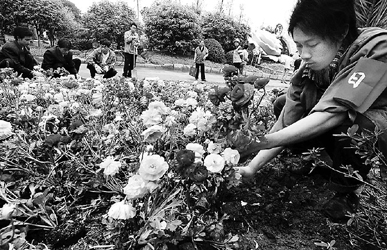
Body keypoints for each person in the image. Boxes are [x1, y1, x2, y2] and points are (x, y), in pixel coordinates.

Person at [234, 0, 387, 223]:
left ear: (342, 32)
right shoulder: (311, 68)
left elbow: (335, 112)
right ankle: (322, 160)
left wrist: (264, 141)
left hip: (373, 125)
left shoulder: (378, 48)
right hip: (337, 120)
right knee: (281, 103)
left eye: (312, 44)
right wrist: (252, 167)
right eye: (298, 46)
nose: (303, 54)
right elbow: (287, 118)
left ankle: (348, 192)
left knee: (355, 126)